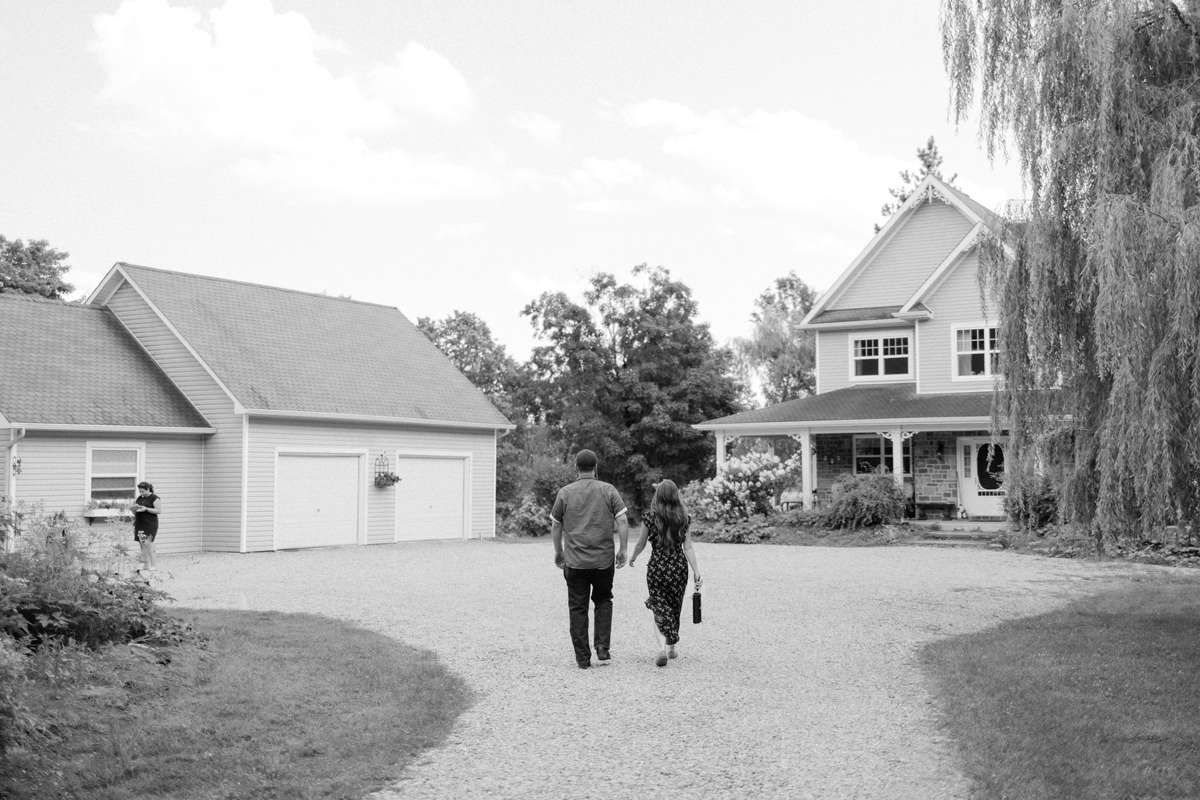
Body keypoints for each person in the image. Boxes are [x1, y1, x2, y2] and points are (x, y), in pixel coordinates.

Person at [551, 449, 629, 669]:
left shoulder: (564, 493)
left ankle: (583, 659)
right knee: (603, 600)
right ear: (596, 468)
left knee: (577, 607)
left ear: (576, 468)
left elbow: (556, 524)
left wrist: (558, 552)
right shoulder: (608, 490)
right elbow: (622, 521)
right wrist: (623, 549)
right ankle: (602, 647)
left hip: (575, 561)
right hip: (603, 560)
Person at [628, 479, 702, 667]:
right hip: (678, 567)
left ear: (658, 495)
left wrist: (633, 557)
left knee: (659, 606)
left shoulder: (649, 517)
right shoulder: (684, 517)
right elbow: (688, 547)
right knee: (674, 607)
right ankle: (671, 648)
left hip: (657, 567)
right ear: (675, 495)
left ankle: (662, 648)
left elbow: (641, 543)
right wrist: (696, 571)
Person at [132, 481, 161, 573]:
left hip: (150, 524)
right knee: (142, 544)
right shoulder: (140, 497)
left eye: (143, 491)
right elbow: (137, 507)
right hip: (140, 523)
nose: (141, 493)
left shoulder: (154, 498)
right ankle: (146, 565)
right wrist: (134, 509)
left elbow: (158, 510)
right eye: (140, 491)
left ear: (148, 489)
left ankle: (154, 565)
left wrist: (146, 509)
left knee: (149, 544)